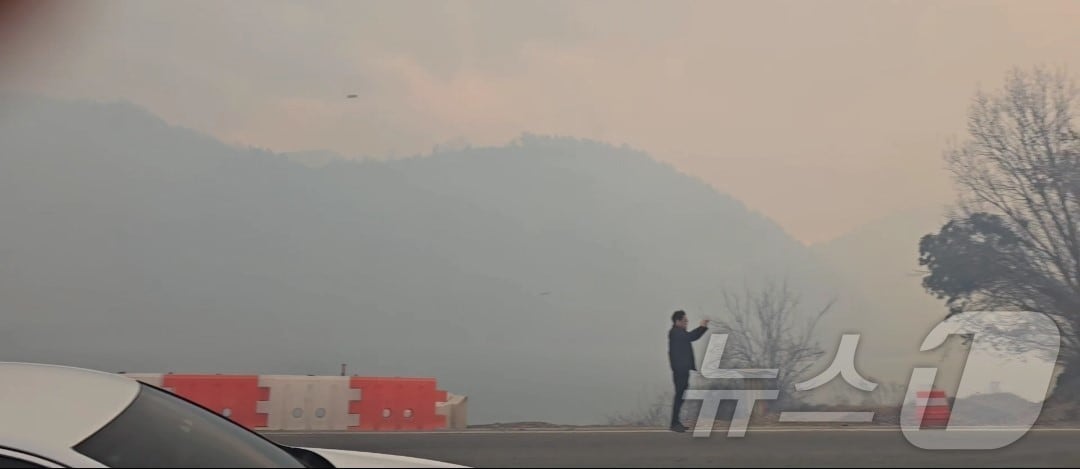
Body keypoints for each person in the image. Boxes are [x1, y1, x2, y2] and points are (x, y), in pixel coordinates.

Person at [667, 310, 709, 432]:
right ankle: (674, 423)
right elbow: (691, 337)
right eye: (685, 321)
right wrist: (702, 327)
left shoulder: (679, 333)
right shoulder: (675, 333)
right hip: (679, 371)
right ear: (677, 321)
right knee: (679, 395)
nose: (687, 323)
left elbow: (690, 337)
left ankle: (676, 422)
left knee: (681, 396)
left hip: (683, 370)